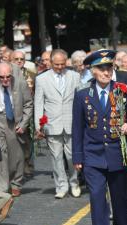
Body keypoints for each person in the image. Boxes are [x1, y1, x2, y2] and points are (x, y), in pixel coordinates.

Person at [72, 49, 127, 225]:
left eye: (109, 68)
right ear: (92, 71)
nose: (106, 72)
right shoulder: (83, 94)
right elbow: (78, 127)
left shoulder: (124, 90)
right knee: (96, 198)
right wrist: (77, 157)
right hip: (92, 154)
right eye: (101, 69)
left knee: (120, 197)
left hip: (117, 153)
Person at [34, 49, 81, 199]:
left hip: (71, 122)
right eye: (56, 64)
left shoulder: (74, 76)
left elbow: (80, 100)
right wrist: (38, 125)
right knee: (56, 157)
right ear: (50, 62)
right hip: (51, 124)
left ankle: (74, 182)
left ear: (66, 61)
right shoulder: (41, 79)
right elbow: (39, 103)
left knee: (71, 156)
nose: (60, 67)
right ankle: (61, 185)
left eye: (62, 64)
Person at [0, 62, 33, 197]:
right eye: (1, 77)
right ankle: (1, 188)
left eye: (8, 76)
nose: (5, 80)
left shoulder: (20, 83)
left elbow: (28, 104)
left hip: (15, 121)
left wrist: (24, 123)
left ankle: (15, 183)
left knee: (16, 155)